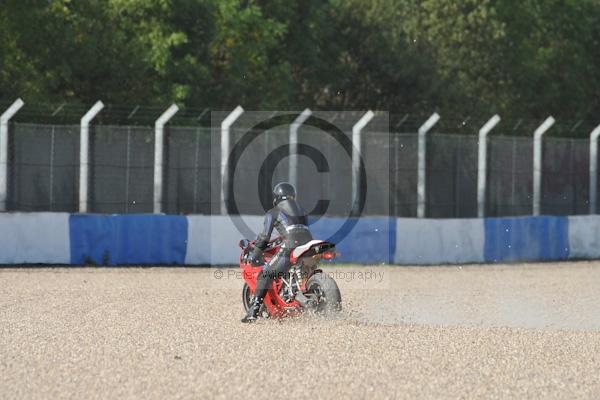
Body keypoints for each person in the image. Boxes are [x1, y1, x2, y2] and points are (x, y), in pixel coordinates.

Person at [241, 182, 313, 323]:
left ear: (276, 197)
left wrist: (255, 255)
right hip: (309, 245)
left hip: (291, 246)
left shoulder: (273, 212)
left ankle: (253, 313)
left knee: (264, 275)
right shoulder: (302, 210)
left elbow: (264, 237)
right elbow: (299, 229)